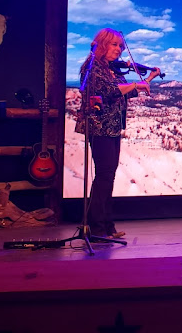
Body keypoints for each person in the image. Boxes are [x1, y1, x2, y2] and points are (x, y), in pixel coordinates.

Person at [75, 28, 161, 239]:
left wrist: (149, 78)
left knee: (108, 176)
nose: (119, 49)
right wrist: (136, 84)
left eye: (120, 46)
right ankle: (96, 227)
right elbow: (110, 90)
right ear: (102, 44)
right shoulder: (93, 67)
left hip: (112, 127)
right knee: (104, 175)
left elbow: (128, 92)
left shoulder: (111, 69)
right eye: (114, 44)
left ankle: (106, 226)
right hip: (99, 126)